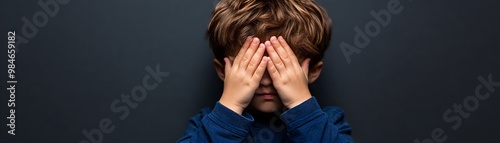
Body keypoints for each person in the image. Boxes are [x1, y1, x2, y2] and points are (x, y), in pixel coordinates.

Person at [178, 0, 352, 142]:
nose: (266, 81)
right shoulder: (207, 123)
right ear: (223, 71)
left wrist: (301, 104)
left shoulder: (329, 122)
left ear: (313, 71)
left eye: (279, 66)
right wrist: (231, 106)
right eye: (253, 66)